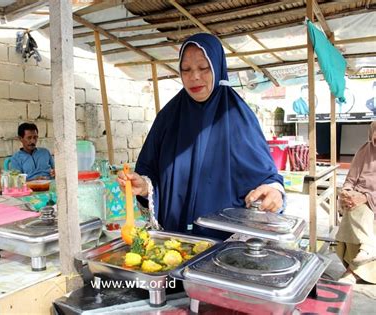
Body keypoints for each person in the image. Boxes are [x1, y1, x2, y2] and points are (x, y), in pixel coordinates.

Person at [118, 33, 284, 238]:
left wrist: (273, 192)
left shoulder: (237, 116)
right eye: (186, 69)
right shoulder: (169, 116)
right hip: (173, 241)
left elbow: (266, 177)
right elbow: (150, 172)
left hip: (225, 246)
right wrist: (143, 186)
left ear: (217, 67)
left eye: (203, 68)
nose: (194, 76)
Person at [336, 121, 376, 284]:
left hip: (369, 199)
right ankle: (365, 253)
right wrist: (346, 192)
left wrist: (367, 197)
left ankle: (353, 271)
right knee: (351, 206)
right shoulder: (364, 151)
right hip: (359, 197)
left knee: (359, 211)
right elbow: (350, 180)